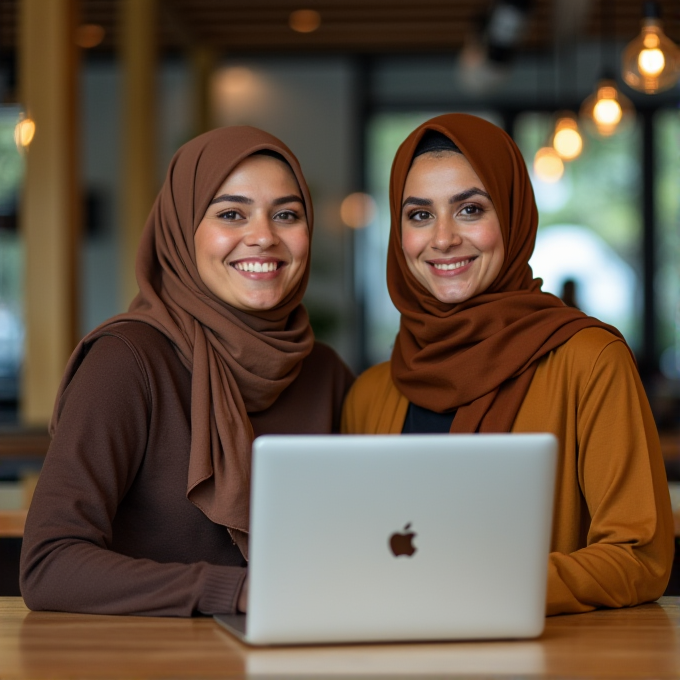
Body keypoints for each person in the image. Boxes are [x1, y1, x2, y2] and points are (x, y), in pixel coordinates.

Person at [342, 114, 674, 616]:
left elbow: (639, 557)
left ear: (515, 217)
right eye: (419, 215)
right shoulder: (371, 394)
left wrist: (486, 587)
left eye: (470, 209)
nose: (444, 238)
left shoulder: (589, 360)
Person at [20, 126, 353, 617]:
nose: (263, 237)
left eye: (286, 214)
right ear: (181, 231)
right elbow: (49, 565)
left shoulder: (324, 372)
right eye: (230, 214)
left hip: (296, 651)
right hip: (153, 662)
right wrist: (236, 592)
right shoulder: (127, 360)